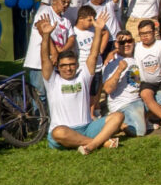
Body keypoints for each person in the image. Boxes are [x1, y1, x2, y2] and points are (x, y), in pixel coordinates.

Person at [37, 17, 123, 154]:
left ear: (77, 65)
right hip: (65, 131)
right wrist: (46, 35)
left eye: (71, 65)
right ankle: (101, 142)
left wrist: (99, 30)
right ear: (58, 67)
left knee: (118, 116)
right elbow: (44, 59)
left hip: (87, 128)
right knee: (58, 132)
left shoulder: (83, 77)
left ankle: (91, 145)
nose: (68, 68)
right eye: (64, 65)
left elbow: (93, 55)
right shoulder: (52, 81)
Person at [22, 0, 75, 100]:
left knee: (54, 94)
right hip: (39, 62)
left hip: (56, 62)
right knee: (40, 94)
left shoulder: (65, 21)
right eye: (63, 1)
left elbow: (71, 38)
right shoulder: (45, 10)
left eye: (68, 3)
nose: (66, 5)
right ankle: (38, 116)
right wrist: (54, 52)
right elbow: (42, 30)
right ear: (54, 1)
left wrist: (60, 52)